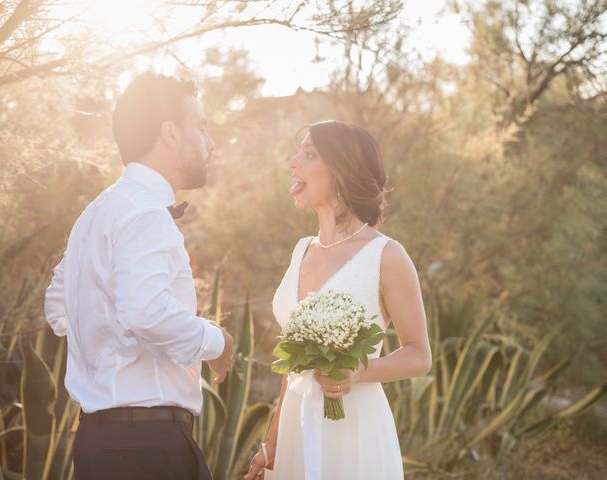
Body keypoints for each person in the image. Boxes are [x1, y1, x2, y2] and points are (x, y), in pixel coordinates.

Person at [44, 72, 234, 480]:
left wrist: (105, 343)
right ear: (170, 133)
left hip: (97, 446)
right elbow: (145, 313)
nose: (209, 142)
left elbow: (58, 307)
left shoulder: (95, 213)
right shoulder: (146, 212)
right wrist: (218, 341)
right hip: (148, 451)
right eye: (200, 127)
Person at [244, 120, 432, 480]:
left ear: (343, 171)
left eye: (309, 154)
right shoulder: (302, 251)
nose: (292, 162)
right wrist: (273, 442)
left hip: (354, 432)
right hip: (296, 425)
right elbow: (292, 361)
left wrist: (360, 371)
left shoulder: (387, 256)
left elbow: (419, 354)